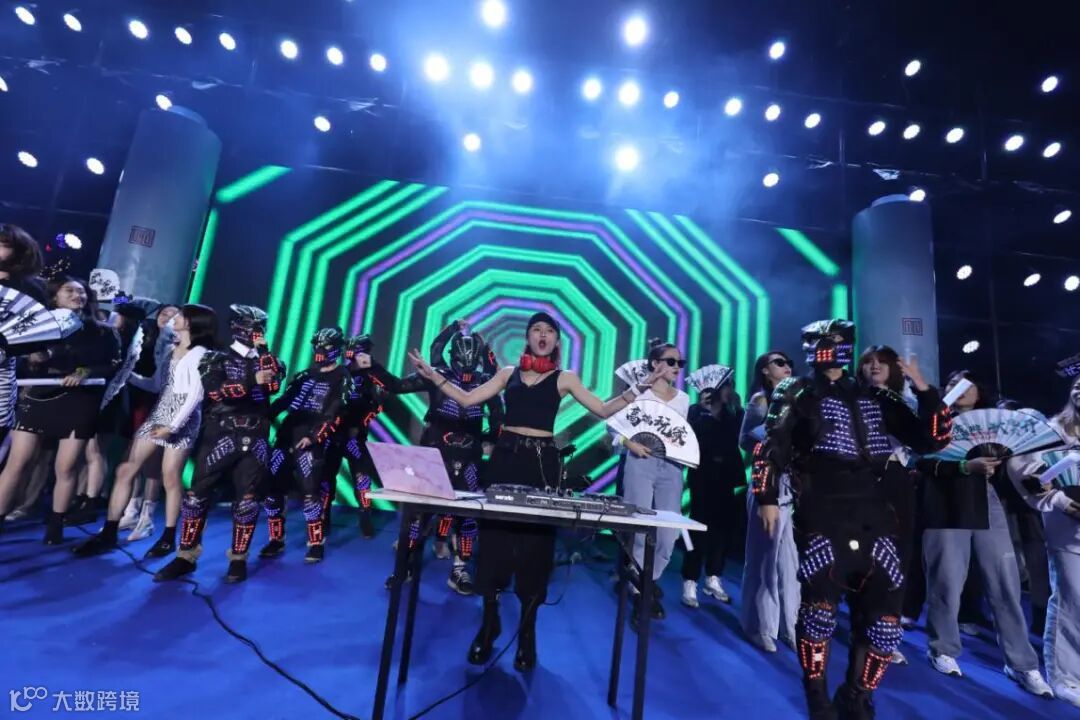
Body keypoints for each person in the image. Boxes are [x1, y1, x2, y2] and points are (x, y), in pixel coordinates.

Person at [407, 311, 664, 672]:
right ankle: (489, 625)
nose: (542, 335)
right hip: (504, 460)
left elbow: (604, 409)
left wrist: (640, 388)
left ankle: (527, 634)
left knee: (535, 549)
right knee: (494, 543)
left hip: (541, 466)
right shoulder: (507, 373)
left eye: (549, 331)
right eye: (536, 330)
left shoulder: (565, 377)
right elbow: (467, 399)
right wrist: (433, 375)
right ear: (528, 337)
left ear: (556, 340)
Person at [752, 319, 951, 719]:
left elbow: (934, 439)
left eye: (832, 341)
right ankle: (817, 698)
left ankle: (858, 695)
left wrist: (925, 391)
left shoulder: (876, 396)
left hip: (878, 512)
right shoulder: (796, 390)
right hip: (823, 510)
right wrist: (766, 497)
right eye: (817, 342)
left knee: (885, 622)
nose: (824, 348)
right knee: (819, 612)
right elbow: (772, 445)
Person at [918, 370, 1053, 698]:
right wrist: (965, 467)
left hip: (987, 501)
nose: (960, 389)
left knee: (1005, 582)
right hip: (945, 502)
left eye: (968, 384)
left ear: (980, 392)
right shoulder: (934, 420)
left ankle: (1022, 663)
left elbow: (1019, 465)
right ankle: (942, 648)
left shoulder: (996, 425)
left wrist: (1038, 478)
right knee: (946, 580)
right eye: (953, 384)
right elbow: (919, 460)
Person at [71, 304, 218, 558]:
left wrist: (172, 426)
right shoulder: (172, 350)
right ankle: (109, 531)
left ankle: (168, 536)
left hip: (182, 419)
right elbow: (156, 385)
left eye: (181, 315)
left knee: (170, 477)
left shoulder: (201, 354)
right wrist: (128, 375)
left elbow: (194, 395)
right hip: (160, 413)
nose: (175, 318)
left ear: (193, 323)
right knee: (126, 469)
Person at [152, 305, 284, 584]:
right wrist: (252, 380)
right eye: (251, 325)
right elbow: (217, 392)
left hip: (256, 436)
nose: (256, 331)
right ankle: (185, 556)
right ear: (237, 326)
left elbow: (273, 386)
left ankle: (238, 558)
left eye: (261, 326)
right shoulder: (215, 358)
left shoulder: (270, 361)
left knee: (248, 501)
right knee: (196, 497)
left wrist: (263, 352)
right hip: (220, 434)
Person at [375, 321, 504, 595]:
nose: (466, 372)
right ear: (453, 356)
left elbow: (498, 416)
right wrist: (369, 367)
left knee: (468, 515)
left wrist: (490, 440)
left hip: (470, 458)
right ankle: (406, 564)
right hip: (434, 455)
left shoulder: (485, 382)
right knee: (418, 514)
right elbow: (397, 385)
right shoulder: (437, 375)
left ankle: (459, 568)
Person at [0, 275, 121, 544]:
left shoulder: (102, 331)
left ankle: (56, 524)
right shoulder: (36, 326)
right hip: (39, 397)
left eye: (81, 292)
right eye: (70, 291)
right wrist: (33, 358)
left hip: (79, 400)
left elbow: (112, 364)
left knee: (66, 466)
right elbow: (17, 362)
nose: (78, 296)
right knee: (18, 462)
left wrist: (84, 371)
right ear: (55, 296)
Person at [1007, 372, 1080, 707]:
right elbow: (1025, 471)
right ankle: (1066, 677)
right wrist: (1060, 501)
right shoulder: (1050, 430)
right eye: (1077, 384)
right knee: (1072, 599)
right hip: (1066, 522)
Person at [258, 327, 351, 564]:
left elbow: (336, 412)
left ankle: (315, 543)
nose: (319, 351)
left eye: (325, 347)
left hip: (312, 441)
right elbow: (283, 401)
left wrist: (314, 436)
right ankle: (276, 539)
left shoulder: (343, 377)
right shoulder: (304, 375)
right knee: (273, 490)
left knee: (310, 493)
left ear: (336, 349)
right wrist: (259, 418)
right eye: (316, 346)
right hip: (286, 436)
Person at [615, 339, 689, 621]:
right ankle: (641, 594)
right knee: (639, 529)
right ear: (655, 364)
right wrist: (629, 443)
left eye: (680, 362)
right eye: (671, 361)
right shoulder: (638, 394)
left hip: (672, 467)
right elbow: (613, 427)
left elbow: (682, 435)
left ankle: (647, 581)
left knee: (669, 534)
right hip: (640, 462)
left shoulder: (683, 399)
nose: (677, 367)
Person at [856, 345, 918, 665]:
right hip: (858, 482)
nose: (875, 366)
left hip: (896, 480)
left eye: (882, 362)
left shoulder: (907, 402)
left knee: (897, 559)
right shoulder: (850, 399)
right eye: (868, 362)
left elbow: (926, 441)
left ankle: (885, 635)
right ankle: (863, 626)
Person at [739, 350, 799, 654]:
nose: (786, 367)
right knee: (763, 558)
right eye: (779, 362)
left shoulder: (799, 399)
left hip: (795, 486)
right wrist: (772, 435)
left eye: (788, 363)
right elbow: (745, 441)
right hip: (767, 482)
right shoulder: (760, 401)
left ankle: (791, 625)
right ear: (764, 370)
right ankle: (758, 625)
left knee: (791, 561)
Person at [681, 365, 743, 610]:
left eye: (731, 385)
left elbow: (741, 439)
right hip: (703, 475)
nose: (730, 390)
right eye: (726, 386)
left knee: (722, 531)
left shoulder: (735, 412)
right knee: (697, 529)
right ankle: (689, 580)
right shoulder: (696, 411)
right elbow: (688, 439)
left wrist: (735, 409)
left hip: (727, 476)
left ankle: (713, 577)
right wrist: (705, 412)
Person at [120, 304, 182, 543]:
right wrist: (126, 374)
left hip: (168, 411)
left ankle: (147, 518)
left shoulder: (183, 348)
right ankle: (131, 511)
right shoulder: (148, 338)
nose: (169, 319)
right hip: (145, 403)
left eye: (175, 316)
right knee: (132, 458)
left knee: (155, 466)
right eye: (165, 314)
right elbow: (154, 382)